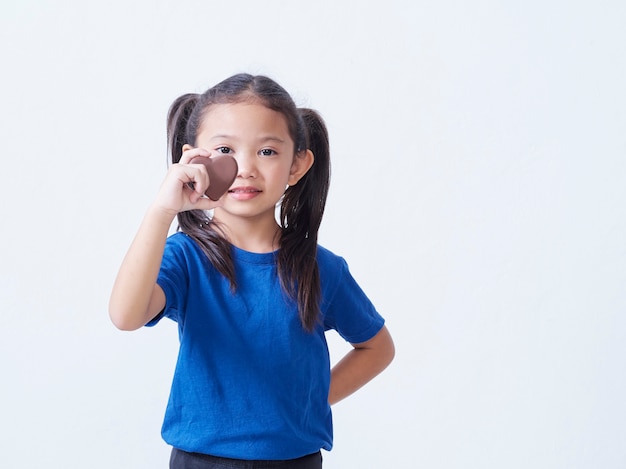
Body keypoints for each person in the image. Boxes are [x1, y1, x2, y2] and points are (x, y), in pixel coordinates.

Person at [109, 73, 395, 469]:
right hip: (200, 459)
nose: (245, 169)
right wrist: (162, 211)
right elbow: (125, 316)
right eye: (226, 149)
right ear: (194, 159)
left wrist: (308, 397)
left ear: (297, 165)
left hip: (294, 459)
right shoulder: (186, 257)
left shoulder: (322, 268)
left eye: (267, 152)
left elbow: (377, 347)